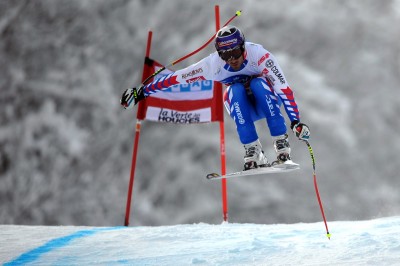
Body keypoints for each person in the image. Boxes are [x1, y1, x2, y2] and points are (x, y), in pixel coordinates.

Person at [121, 25, 310, 170]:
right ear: (219, 54)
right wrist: (141, 93)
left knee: (258, 84)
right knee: (234, 90)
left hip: (266, 103)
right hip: (242, 109)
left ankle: (281, 144)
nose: (232, 59)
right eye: (225, 55)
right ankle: (253, 150)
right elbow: (175, 79)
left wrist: (296, 122)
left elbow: (283, 90)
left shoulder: (259, 56)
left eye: (235, 52)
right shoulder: (212, 65)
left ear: (243, 47)